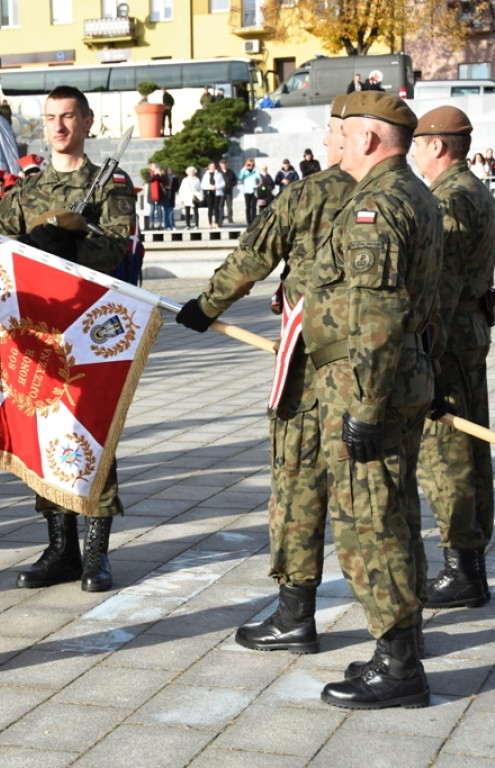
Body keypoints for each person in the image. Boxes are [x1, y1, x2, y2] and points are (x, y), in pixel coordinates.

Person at [176, 93, 357, 657]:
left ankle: (295, 615)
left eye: (331, 133)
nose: (327, 143)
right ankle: (398, 629)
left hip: (310, 370)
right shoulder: (406, 196)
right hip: (384, 371)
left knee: (299, 485)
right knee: (374, 497)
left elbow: (252, 257)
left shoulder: (310, 193)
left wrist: (204, 308)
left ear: (347, 136)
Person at [303, 90, 442, 709]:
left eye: (344, 133)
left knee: (372, 522)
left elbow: (380, 316)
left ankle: (399, 667)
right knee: (398, 513)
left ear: (366, 139)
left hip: (371, 389)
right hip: (402, 379)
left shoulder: (377, 207)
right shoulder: (415, 193)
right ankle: (398, 644)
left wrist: (364, 406)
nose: (336, 143)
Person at [0, 84, 138, 593]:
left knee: (95, 433)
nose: (59, 126)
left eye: (69, 116)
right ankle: (60, 548)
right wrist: (33, 244)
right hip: (38, 331)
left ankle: (96, 553)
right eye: (51, 117)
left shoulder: (111, 186)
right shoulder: (25, 192)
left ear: (88, 122)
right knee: (42, 432)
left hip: (92, 332)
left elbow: (116, 249)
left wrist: (73, 242)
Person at [410, 105, 495, 610]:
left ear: (439, 146)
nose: (416, 153)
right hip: (471, 328)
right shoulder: (473, 190)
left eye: (419, 144)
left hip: (449, 335)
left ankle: (461, 567)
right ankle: (471, 565)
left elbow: (439, 287)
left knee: (448, 449)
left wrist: (425, 352)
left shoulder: (447, 199)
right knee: (469, 444)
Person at [237, 158, 261, 225]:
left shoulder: (255, 171)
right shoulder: (244, 171)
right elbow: (240, 177)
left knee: (254, 206)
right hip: (247, 191)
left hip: (254, 190)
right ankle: (248, 221)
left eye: (252, 164)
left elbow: (258, 177)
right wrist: (244, 167)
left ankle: (253, 220)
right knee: (248, 206)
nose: (250, 166)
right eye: (249, 164)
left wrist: (256, 168)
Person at [201, 160, 223, 228]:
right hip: (209, 193)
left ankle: (217, 222)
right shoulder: (206, 175)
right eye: (211, 166)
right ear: (209, 167)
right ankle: (210, 223)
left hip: (217, 192)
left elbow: (223, 183)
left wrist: (216, 187)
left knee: (216, 208)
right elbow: (203, 185)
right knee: (210, 208)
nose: (212, 167)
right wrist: (210, 187)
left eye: (213, 166)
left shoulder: (218, 174)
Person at [219, 158, 237, 224]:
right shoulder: (218, 172)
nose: (224, 165)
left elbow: (235, 180)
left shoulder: (230, 171)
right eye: (222, 164)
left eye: (225, 164)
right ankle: (221, 218)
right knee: (221, 205)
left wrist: (231, 185)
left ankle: (230, 218)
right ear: (220, 165)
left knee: (229, 205)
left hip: (229, 191)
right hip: (221, 192)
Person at [146, 162, 164, 229]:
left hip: (159, 194)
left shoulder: (158, 173)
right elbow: (150, 180)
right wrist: (154, 174)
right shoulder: (148, 174)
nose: (155, 167)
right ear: (150, 167)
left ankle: (159, 223)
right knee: (152, 210)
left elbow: (162, 180)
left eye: (155, 166)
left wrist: (161, 174)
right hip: (151, 195)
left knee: (159, 209)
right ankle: (151, 224)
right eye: (153, 166)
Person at [163, 165, 178, 230]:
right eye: (168, 170)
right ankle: (167, 226)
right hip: (165, 196)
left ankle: (172, 225)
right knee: (166, 212)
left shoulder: (174, 178)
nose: (169, 171)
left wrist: (171, 188)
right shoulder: (164, 178)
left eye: (170, 170)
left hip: (171, 196)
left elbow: (177, 187)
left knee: (171, 212)